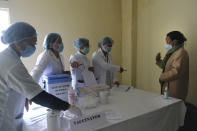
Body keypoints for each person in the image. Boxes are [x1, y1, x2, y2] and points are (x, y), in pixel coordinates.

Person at [0, 22, 81, 131]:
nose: (33, 47)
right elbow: (37, 83)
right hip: (6, 121)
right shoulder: (12, 64)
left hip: (53, 92)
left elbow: (20, 83)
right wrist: (68, 107)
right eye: (32, 44)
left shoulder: (9, 57)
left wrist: (26, 93)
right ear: (18, 42)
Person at [155, 31, 189, 101]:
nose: (166, 44)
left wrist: (162, 77)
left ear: (175, 42)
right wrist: (158, 60)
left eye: (168, 42)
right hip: (168, 87)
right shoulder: (173, 52)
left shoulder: (181, 53)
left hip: (175, 90)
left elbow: (176, 71)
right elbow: (167, 66)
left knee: (173, 109)